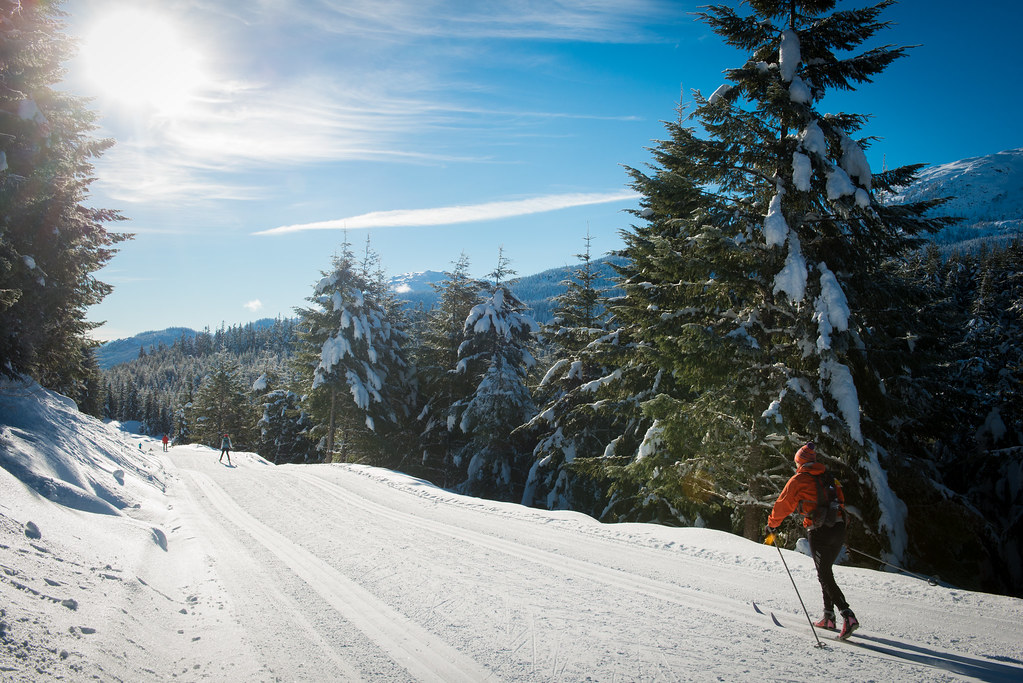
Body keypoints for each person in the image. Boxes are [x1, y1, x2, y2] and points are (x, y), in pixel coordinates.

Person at [766, 442, 859, 639]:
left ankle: (847, 615)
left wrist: (772, 524)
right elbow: (840, 499)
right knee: (825, 571)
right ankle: (828, 617)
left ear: (800, 462)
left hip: (819, 530)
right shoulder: (829, 477)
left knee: (824, 574)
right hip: (839, 527)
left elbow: (784, 504)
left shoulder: (799, 480)